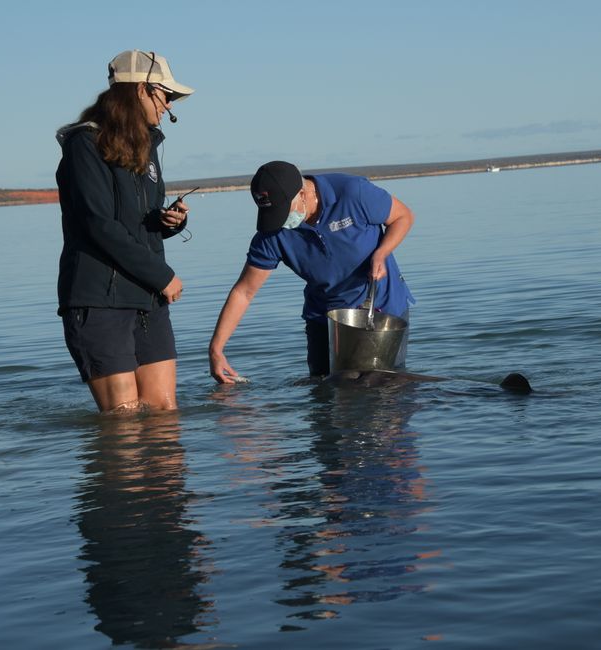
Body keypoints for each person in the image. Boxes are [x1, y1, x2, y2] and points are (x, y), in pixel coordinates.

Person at [55, 50, 194, 412]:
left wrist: (166, 222)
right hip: (99, 299)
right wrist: (162, 275)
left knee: (165, 411)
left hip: (147, 296)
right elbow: (98, 224)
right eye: (167, 96)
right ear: (142, 90)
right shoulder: (83, 145)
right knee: (124, 421)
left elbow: (135, 224)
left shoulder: (148, 148)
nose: (168, 106)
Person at [209, 161, 415, 382]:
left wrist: (382, 252)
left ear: (302, 193)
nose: (280, 222)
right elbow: (244, 292)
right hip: (325, 319)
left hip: (381, 308)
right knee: (325, 394)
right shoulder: (272, 234)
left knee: (386, 393)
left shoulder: (353, 192)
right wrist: (216, 349)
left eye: (282, 211)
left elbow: (403, 217)